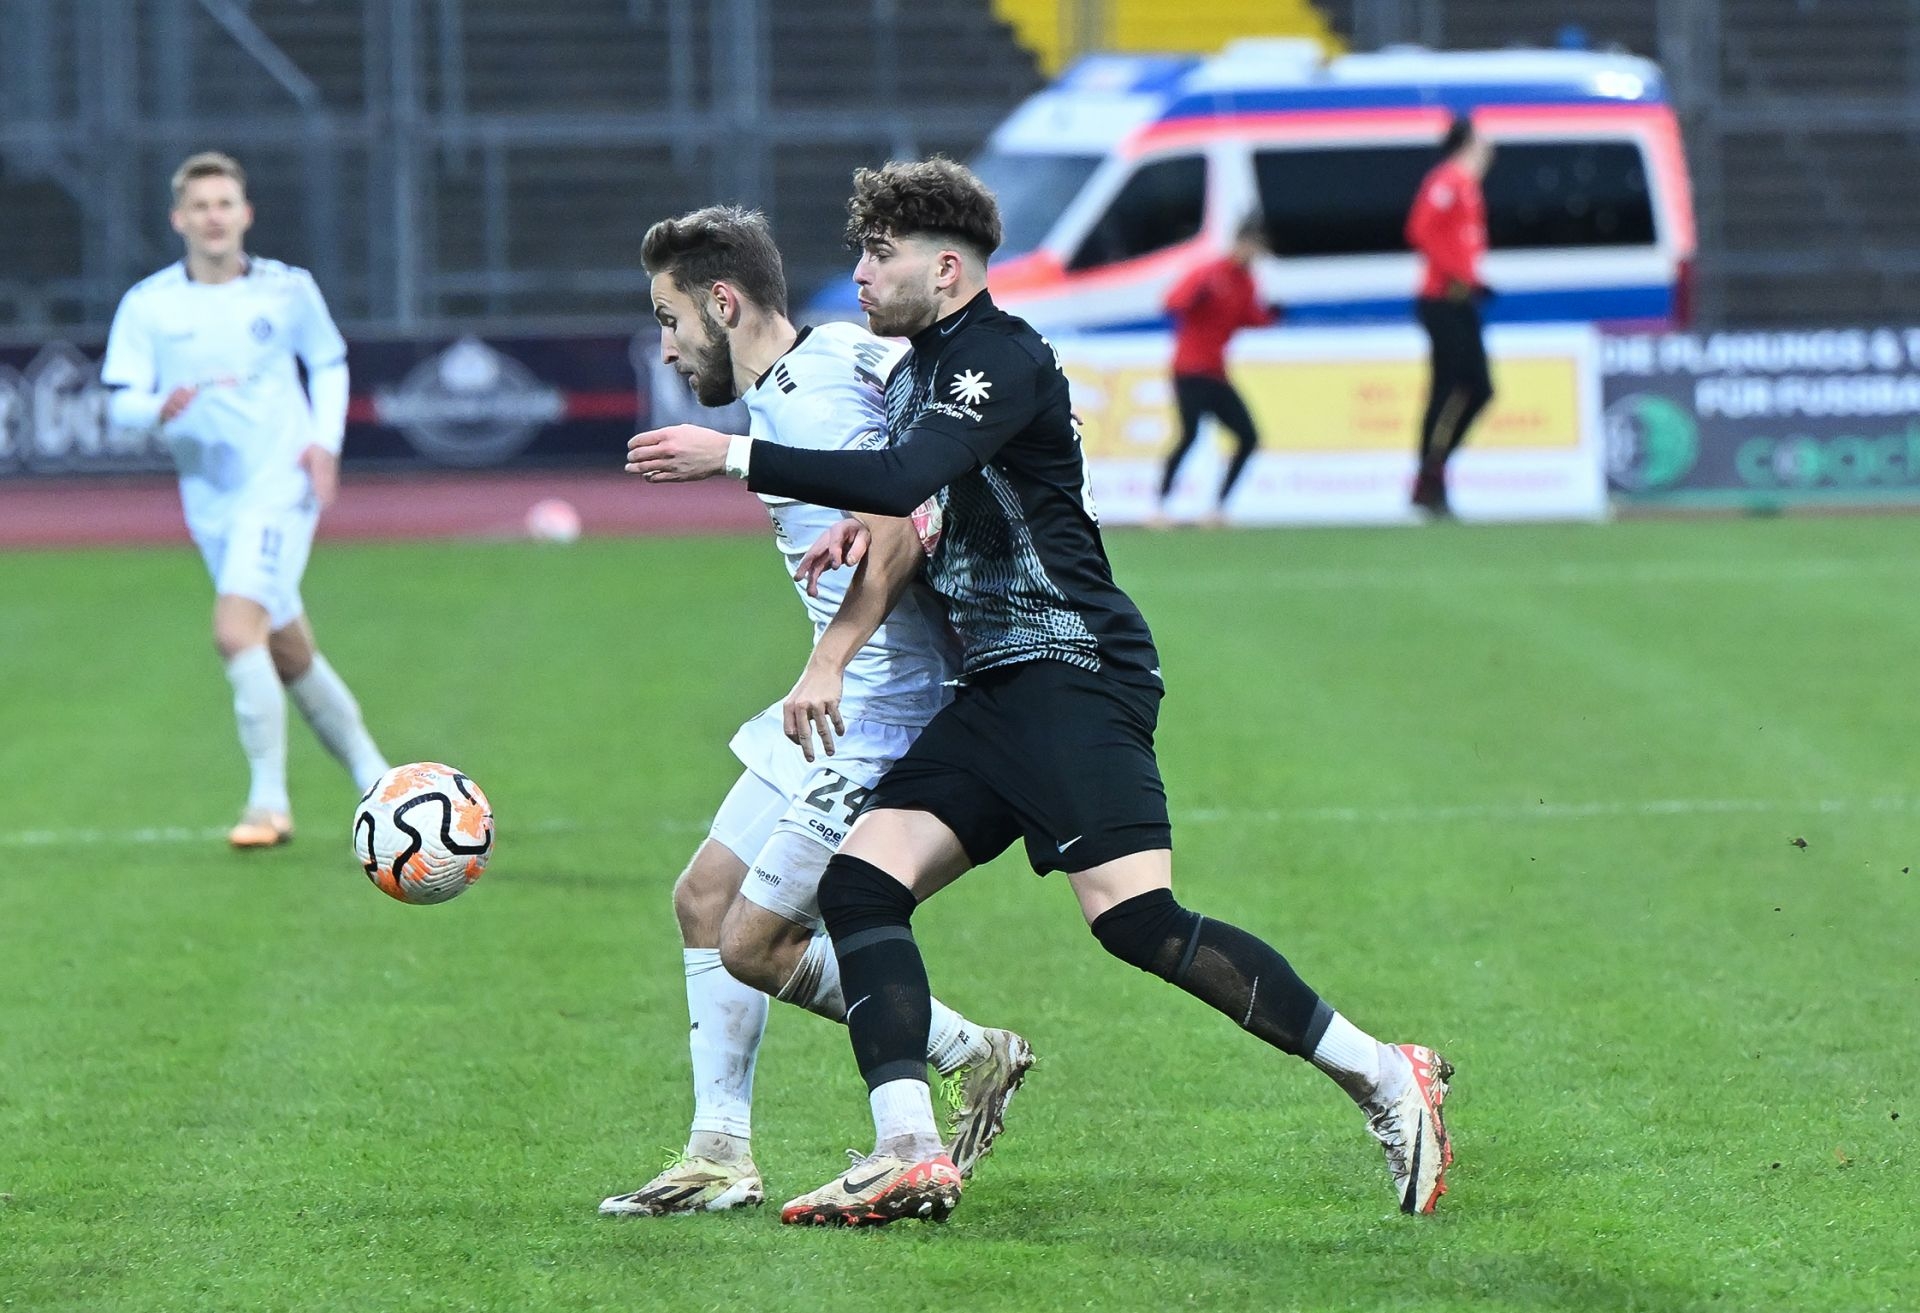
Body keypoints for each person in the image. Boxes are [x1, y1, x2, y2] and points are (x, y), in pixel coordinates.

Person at [627, 159, 1455, 1228]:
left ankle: (1385, 1073)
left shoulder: (998, 356)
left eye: (880, 254)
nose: (860, 273)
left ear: (947, 267)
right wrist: (879, 531)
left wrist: (735, 455)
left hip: (1072, 666)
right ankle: (906, 1148)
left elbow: (902, 477)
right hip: (990, 686)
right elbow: (916, 495)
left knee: (1137, 920)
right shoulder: (918, 373)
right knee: (863, 884)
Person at [598, 205, 1032, 1218]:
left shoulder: (809, 399)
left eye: (670, 319)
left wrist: (831, 658)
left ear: (723, 302)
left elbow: (904, 515)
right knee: (703, 898)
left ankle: (970, 1051)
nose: (666, 347)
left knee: (754, 940)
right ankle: (718, 1152)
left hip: (884, 706)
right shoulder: (826, 358)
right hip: (842, 692)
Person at [100, 152, 388, 847]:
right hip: (209, 499)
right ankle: (380, 779)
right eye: (200, 206)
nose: (214, 217)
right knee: (285, 647)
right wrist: (156, 408)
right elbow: (119, 403)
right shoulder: (149, 304)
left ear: (246, 214)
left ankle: (268, 804)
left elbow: (328, 360)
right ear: (179, 219)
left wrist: (323, 443)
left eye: (224, 203)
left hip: (280, 484)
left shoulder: (288, 291)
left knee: (235, 630)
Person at [1151, 214, 1275, 528]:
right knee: (1189, 435)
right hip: (1189, 370)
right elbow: (1171, 302)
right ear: (1239, 243)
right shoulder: (1210, 272)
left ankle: (1217, 509)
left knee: (1248, 437)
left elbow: (1249, 317)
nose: (1254, 254)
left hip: (1216, 372)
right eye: (1252, 246)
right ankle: (1160, 507)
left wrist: (1272, 316)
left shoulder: (1246, 282)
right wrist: (1194, 298)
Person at [1405, 116, 1497, 517]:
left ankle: (1435, 468)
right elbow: (1420, 231)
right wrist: (1460, 275)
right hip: (1442, 298)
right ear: (1467, 144)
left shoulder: (1468, 186)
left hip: (1460, 298)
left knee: (1478, 388)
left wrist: (1474, 280)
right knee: (1448, 386)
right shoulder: (1447, 181)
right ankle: (1428, 477)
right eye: (1482, 141)